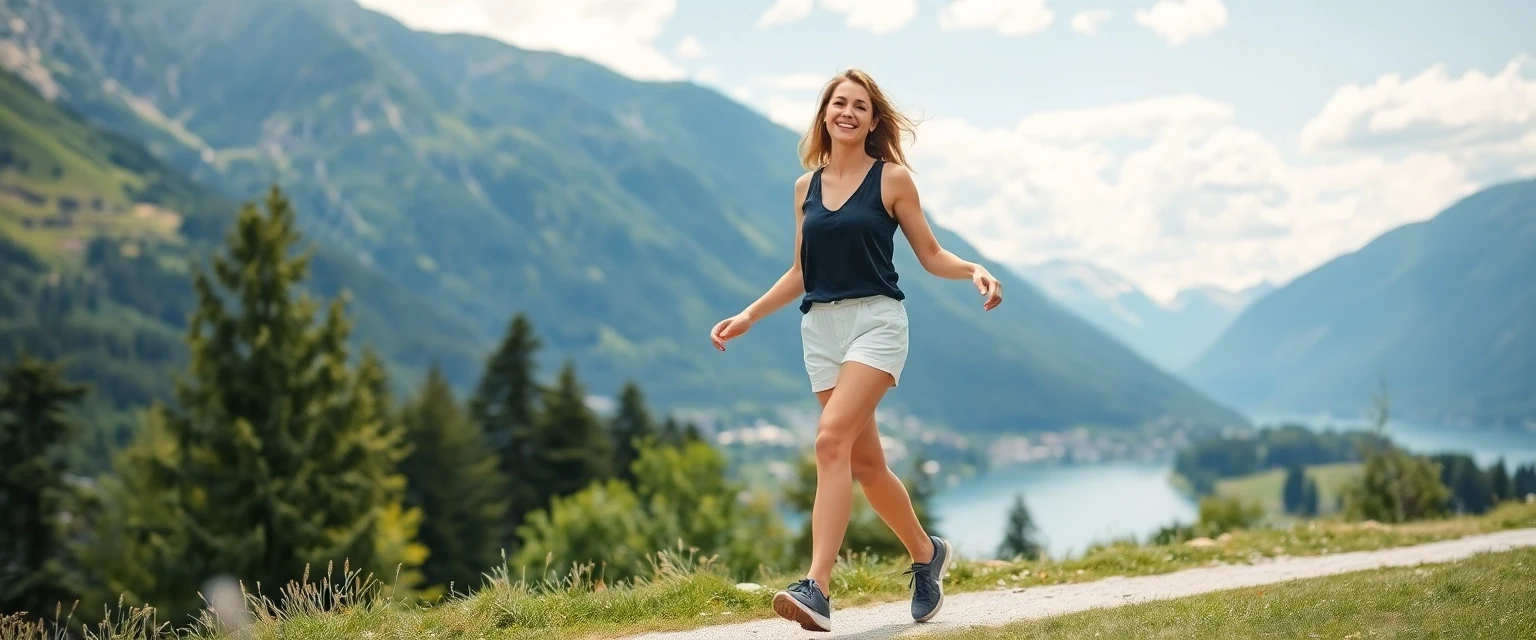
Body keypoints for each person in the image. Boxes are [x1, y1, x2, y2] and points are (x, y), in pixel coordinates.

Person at [708, 68, 1003, 632]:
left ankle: (816, 586)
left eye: (859, 106)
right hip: (819, 330)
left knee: (829, 439)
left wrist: (974, 270)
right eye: (838, 103)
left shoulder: (892, 180)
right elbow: (801, 270)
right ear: (824, 113)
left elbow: (931, 253)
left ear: (872, 121)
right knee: (866, 464)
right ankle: (926, 553)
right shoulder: (805, 188)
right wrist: (748, 315)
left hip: (877, 323)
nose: (847, 112)